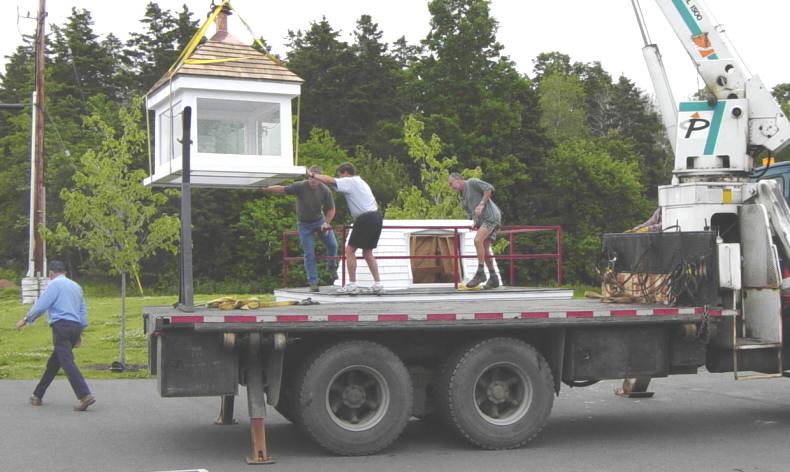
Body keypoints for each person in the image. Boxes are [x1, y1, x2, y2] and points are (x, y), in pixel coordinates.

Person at [15, 260, 95, 411]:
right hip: (75, 326)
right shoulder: (76, 286)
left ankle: (85, 395)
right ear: (64, 271)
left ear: (51, 273)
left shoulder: (54, 285)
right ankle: (37, 395)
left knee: (66, 361)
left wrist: (26, 319)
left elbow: (42, 305)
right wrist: (79, 333)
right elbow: (82, 311)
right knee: (54, 363)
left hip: (61, 326)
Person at [307, 162, 383, 294]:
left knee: (349, 251)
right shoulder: (360, 182)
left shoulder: (350, 181)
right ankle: (378, 284)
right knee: (367, 252)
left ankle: (352, 284)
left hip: (365, 218)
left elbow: (331, 180)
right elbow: (333, 184)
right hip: (376, 216)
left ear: (345, 173)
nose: (340, 179)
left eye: (340, 176)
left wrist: (312, 175)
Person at [262, 165, 338, 292]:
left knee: (333, 244)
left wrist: (326, 223)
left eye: (315, 178)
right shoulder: (300, 186)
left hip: (319, 221)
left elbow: (331, 209)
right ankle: (313, 282)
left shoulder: (325, 190)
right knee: (309, 253)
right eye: (310, 178)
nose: (312, 181)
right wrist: (268, 189)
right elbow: (283, 189)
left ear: (319, 178)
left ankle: (331, 267)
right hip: (304, 224)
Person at [448, 172, 502, 289]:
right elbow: (470, 211)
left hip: (490, 217)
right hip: (482, 221)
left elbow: (489, 188)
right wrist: (475, 222)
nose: (450, 187)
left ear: (458, 180)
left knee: (477, 240)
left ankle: (481, 272)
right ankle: (493, 277)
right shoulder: (461, 195)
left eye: (451, 183)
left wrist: (482, 204)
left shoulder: (472, 182)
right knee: (485, 249)